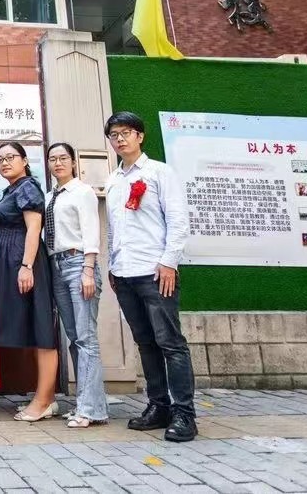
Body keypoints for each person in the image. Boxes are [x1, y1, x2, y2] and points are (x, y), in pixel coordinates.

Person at [104, 112, 194, 442]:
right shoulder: (113, 179)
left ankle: (185, 414)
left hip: (155, 273)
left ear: (140, 136)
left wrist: (169, 262)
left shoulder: (159, 172)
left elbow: (178, 221)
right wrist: (113, 267)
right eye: (114, 135)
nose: (120, 139)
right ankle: (159, 406)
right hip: (124, 274)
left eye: (126, 133)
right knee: (145, 343)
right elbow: (114, 229)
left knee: (171, 343)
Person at [0, 142, 57, 422]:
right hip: (11, 261)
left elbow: (34, 228)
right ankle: (45, 398)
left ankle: (43, 402)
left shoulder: (27, 187)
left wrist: (26, 266)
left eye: (11, 157)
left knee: (41, 329)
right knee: (30, 326)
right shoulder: (13, 189)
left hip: (24, 261)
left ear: (25, 160)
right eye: (0, 159)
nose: (5, 163)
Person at [45, 142, 108, 428]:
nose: (57, 163)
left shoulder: (82, 192)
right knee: (74, 336)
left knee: (86, 338)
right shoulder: (50, 197)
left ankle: (91, 409)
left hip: (78, 263)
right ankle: (87, 403)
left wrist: (87, 270)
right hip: (57, 266)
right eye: (52, 159)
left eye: (63, 158)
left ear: (73, 162)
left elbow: (91, 232)